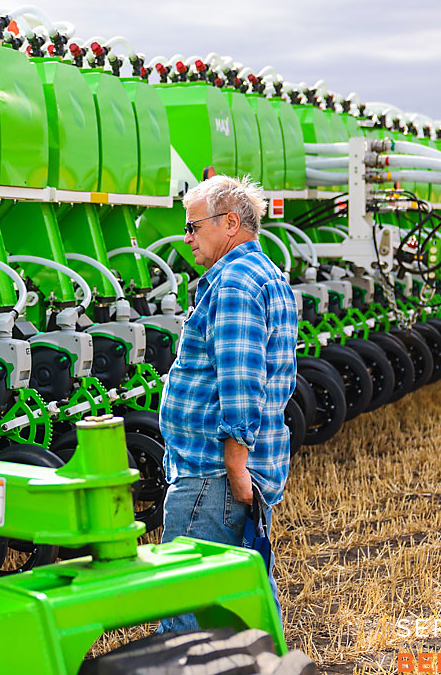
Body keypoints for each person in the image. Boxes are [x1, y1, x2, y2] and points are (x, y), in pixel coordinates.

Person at [157, 175, 298, 632]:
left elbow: (241, 384)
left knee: (184, 616)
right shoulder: (266, 275)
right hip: (229, 475)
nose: (186, 238)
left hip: (212, 476)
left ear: (230, 223)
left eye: (193, 227)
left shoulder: (235, 283)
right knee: (241, 608)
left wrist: (236, 469)